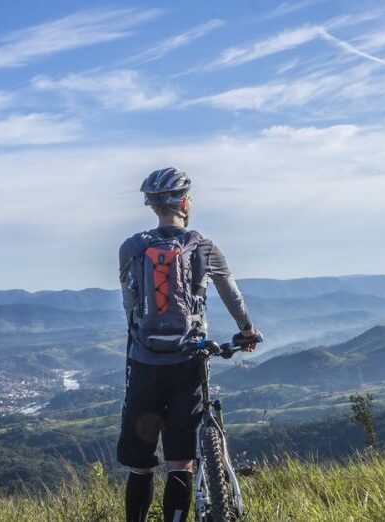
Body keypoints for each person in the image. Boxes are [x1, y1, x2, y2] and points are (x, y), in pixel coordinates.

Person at [117, 167, 260, 522]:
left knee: (140, 464)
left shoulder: (131, 248)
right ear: (183, 202)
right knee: (180, 460)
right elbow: (233, 297)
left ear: (153, 206)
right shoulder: (204, 247)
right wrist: (247, 330)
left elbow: (129, 304)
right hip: (188, 363)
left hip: (144, 364)